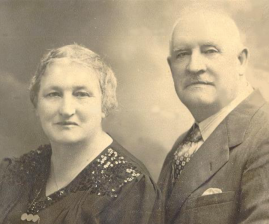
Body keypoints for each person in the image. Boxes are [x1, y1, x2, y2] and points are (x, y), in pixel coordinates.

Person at [158, 10, 269, 224]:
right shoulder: (183, 144)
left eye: (210, 51)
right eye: (182, 54)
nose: (194, 66)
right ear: (171, 67)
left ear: (240, 61)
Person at [0, 44, 161, 224]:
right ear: (36, 103)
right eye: (53, 94)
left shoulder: (130, 188)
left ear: (104, 104)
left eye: (81, 94)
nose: (66, 109)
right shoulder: (16, 173)